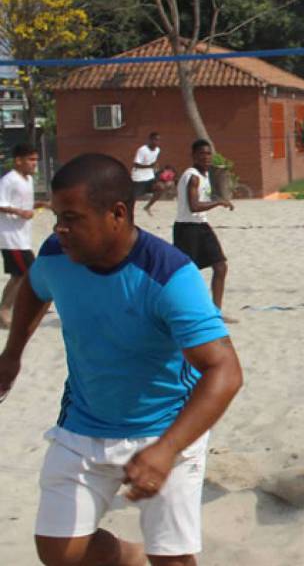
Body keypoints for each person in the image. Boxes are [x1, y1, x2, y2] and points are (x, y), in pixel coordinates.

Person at [0, 153, 242, 566]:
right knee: (59, 553)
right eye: (57, 216)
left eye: (72, 217)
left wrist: (166, 449)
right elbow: (35, 289)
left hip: (165, 428)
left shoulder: (169, 275)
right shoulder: (58, 254)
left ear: (117, 214)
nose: (60, 229)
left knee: (172, 560)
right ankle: (127, 557)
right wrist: (12, 355)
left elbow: (226, 372)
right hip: (82, 425)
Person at [173, 140, 234, 317]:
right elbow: (194, 206)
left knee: (220, 266)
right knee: (185, 273)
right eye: (202, 154)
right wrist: (218, 202)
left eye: (208, 154)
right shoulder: (192, 176)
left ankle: (216, 312)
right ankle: (180, 309)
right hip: (187, 228)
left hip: (201, 225)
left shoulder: (204, 175)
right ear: (193, 156)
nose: (206, 157)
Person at [0, 144, 48, 327]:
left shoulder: (27, 180)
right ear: (18, 160)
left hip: (23, 237)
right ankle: (5, 310)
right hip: (10, 237)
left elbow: (24, 203)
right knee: (24, 274)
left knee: (22, 274)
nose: (35, 163)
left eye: (36, 159)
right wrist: (20, 212)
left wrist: (41, 204)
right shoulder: (8, 180)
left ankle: (15, 306)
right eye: (31, 159)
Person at [132, 132, 162, 200]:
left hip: (149, 176)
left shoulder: (157, 150)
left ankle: (147, 207)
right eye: (155, 140)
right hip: (139, 177)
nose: (156, 142)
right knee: (136, 196)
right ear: (150, 140)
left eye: (158, 140)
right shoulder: (142, 150)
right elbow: (136, 165)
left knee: (160, 188)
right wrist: (150, 166)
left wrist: (155, 166)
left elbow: (153, 161)